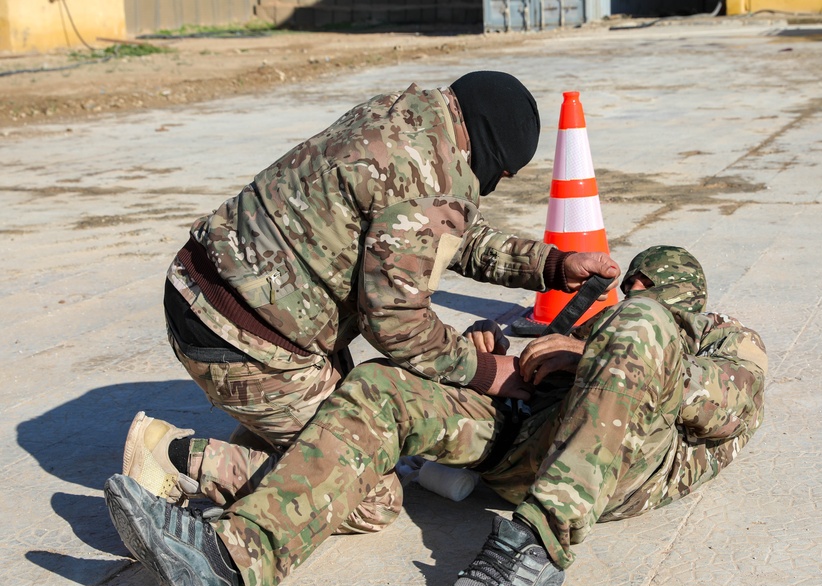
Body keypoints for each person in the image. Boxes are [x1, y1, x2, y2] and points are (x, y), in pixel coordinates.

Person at [105, 245, 766, 586]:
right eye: (630, 289)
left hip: (629, 461)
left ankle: (539, 543)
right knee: (382, 388)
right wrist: (494, 365)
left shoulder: (720, 337)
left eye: (643, 288)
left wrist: (592, 355)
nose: (627, 295)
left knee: (639, 332)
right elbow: (560, 374)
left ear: (682, 293)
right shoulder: (613, 326)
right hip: (529, 439)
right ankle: (227, 557)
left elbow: (725, 410)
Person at [123, 70, 618, 533]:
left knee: (344, 430)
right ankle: (176, 458)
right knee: (371, 496)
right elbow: (399, 326)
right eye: (503, 173)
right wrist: (491, 373)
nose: (495, 184)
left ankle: (255, 447)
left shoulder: (405, 117)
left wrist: (551, 265)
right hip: (243, 340)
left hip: (202, 289)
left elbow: (439, 233)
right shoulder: (435, 179)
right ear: (491, 148)